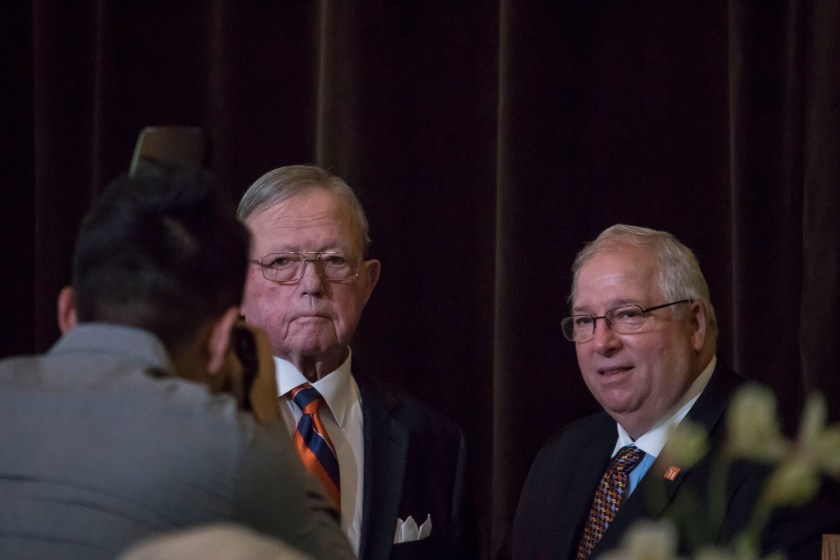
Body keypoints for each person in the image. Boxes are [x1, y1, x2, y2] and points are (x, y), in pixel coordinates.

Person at [0, 168, 354, 560]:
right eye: (282, 261)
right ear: (222, 341)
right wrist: (266, 427)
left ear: (67, 312)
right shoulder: (229, 448)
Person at [510, 224, 840, 559]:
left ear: (695, 324)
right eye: (584, 321)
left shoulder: (778, 467)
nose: (601, 343)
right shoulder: (560, 457)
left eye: (627, 314)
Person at [238, 164, 476, 560]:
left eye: (334, 260)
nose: (312, 284)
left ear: (367, 283)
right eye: (282, 262)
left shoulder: (435, 444)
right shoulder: (185, 427)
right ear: (236, 285)